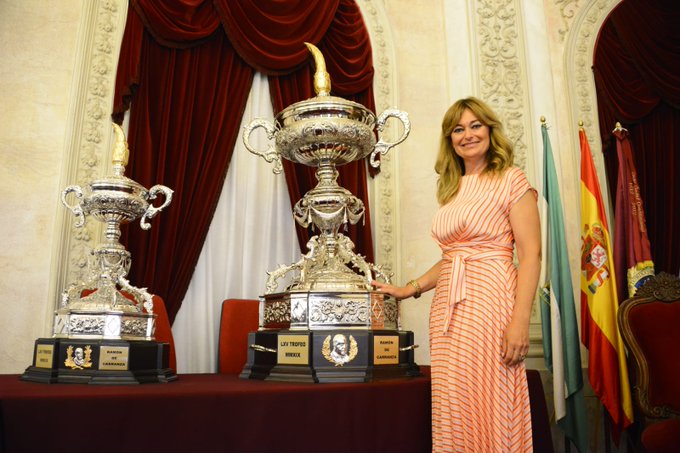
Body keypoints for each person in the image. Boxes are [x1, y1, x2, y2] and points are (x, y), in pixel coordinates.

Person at [373, 97, 541, 452]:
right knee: (454, 398)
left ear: (490, 130)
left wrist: (520, 320)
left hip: (493, 303)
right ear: (450, 139)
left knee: (495, 395)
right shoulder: (451, 190)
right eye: (458, 129)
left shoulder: (512, 179)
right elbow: (453, 256)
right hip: (449, 312)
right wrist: (410, 288)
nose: (467, 135)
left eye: (475, 125)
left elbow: (530, 254)